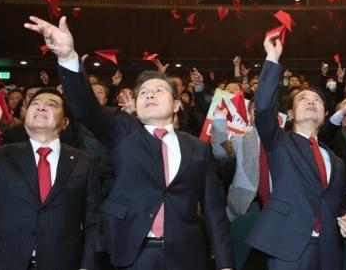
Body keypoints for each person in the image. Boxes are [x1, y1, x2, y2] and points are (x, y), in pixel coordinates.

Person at [24, 16, 234, 270]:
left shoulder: (198, 148)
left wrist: (225, 264)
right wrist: (68, 57)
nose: (149, 94)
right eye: (142, 92)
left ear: (177, 104)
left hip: (186, 254)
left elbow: (213, 209)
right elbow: (86, 107)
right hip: (132, 252)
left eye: (158, 90)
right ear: (134, 107)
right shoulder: (123, 130)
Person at [247, 30, 346, 270]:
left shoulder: (335, 159)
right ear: (289, 114)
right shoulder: (278, 142)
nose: (311, 102)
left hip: (329, 250)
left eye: (317, 101)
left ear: (325, 113)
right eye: (303, 99)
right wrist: (272, 59)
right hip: (289, 247)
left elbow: (338, 204)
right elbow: (264, 107)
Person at [0, 89, 100, 270]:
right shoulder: (3, 153)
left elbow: (93, 221)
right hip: (0, 259)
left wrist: (88, 265)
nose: (41, 107)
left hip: (61, 260)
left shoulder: (84, 162)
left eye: (51, 104)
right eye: (35, 103)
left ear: (65, 122)